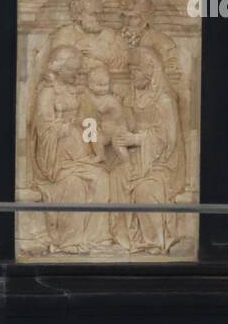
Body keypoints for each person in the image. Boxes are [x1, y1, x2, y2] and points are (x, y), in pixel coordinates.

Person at [31, 46, 111, 255]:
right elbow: (44, 127)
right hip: (57, 157)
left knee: (102, 178)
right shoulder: (48, 93)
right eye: (71, 70)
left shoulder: (77, 92)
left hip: (80, 152)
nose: (75, 74)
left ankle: (95, 238)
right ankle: (70, 240)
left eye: (77, 69)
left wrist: (97, 148)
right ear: (59, 68)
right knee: (73, 184)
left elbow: (89, 121)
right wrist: (67, 126)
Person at [113, 49, 184, 255]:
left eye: (136, 71)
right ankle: (127, 237)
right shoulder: (132, 97)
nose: (132, 76)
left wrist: (137, 139)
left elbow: (168, 138)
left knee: (145, 189)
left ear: (150, 71)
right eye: (131, 71)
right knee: (117, 176)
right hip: (137, 156)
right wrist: (121, 133)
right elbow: (127, 124)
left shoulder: (164, 100)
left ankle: (154, 241)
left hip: (162, 163)